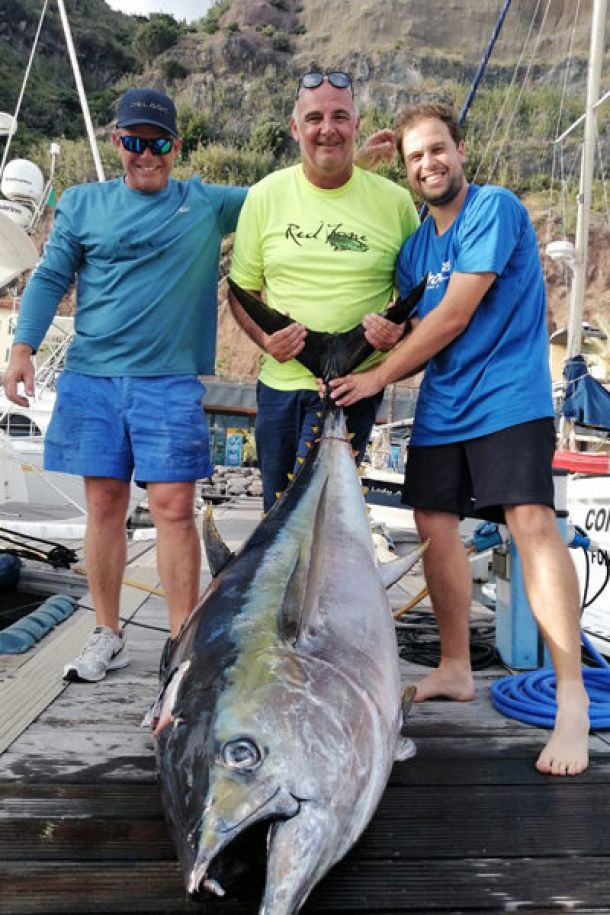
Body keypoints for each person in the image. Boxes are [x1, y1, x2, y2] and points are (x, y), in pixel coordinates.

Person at [325, 102, 590, 777]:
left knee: (530, 521)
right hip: (444, 405)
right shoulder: (415, 247)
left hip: (507, 396)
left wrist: (380, 373)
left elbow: (452, 315)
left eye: (437, 149)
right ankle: (454, 665)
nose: (428, 164)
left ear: (460, 150)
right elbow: (412, 320)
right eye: (415, 157)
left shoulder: (495, 208)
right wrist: (385, 335)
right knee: (433, 524)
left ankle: (570, 696)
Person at [2, 88, 247, 682]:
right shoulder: (83, 204)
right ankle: (106, 633)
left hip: (167, 381)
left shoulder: (208, 204)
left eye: (158, 143)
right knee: (104, 506)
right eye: (134, 141)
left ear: (176, 148)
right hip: (91, 380)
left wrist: (355, 167)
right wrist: (21, 349)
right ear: (117, 142)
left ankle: (180, 645)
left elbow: (289, 196)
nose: (146, 154)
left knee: (173, 507)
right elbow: (49, 276)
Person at [228, 69, 419, 512]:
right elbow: (242, 293)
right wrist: (266, 340)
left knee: (334, 522)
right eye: (314, 118)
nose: (326, 129)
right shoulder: (263, 196)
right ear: (296, 128)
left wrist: (399, 333)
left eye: (339, 116)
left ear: (356, 126)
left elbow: (415, 301)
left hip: (356, 390)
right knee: (278, 518)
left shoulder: (395, 203)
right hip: (280, 389)